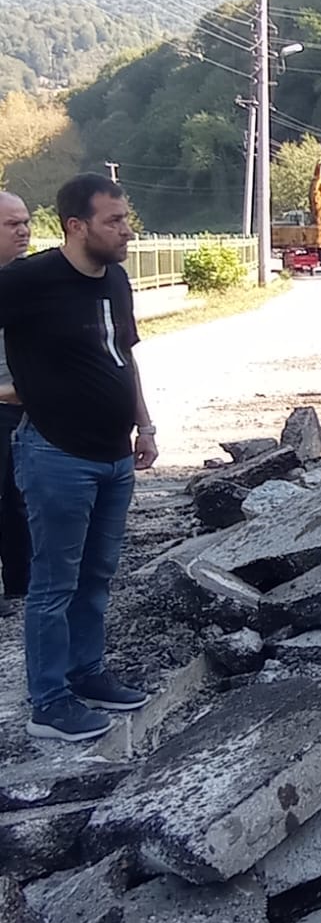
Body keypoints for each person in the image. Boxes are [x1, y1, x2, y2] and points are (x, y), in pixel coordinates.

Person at [0, 175, 157, 741]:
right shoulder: (28, 279)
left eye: (125, 217)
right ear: (76, 226)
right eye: (114, 221)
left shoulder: (115, 279)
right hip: (56, 456)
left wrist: (144, 424)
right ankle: (49, 701)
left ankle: (87, 673)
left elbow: (125, 356)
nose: (127, 230)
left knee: (97, 576)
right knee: (53, 583)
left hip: (116, 456)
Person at [0, 192, 32, 617]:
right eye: (12, 224)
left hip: (31, 410)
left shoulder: (32, 280)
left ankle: (20, 585)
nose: (23, 230)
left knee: (20, 497)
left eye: (26, 222)